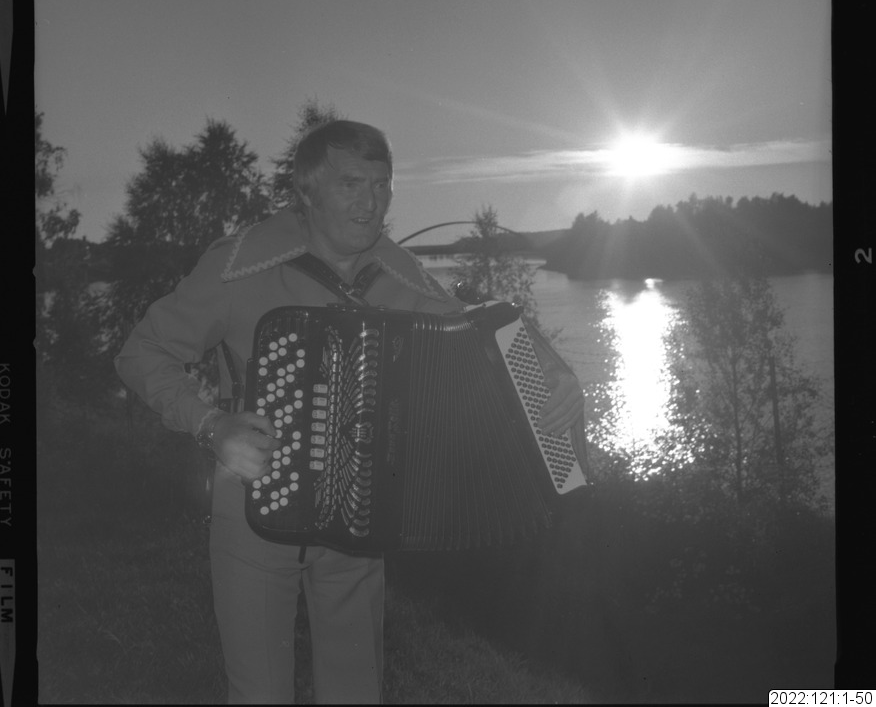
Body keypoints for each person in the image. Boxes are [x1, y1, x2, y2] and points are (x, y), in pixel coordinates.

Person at [115, 119, 584, 704]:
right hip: (252, 510)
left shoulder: (397, 271)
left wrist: (555, 373)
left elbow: (483, 329)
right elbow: (142, 353)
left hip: (361, 520)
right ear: (307, 191)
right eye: (351, 184)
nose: (372, 202)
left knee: (358, 691)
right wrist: (211, 425)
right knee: (259, 694)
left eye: (382, 184)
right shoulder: (239, 267)